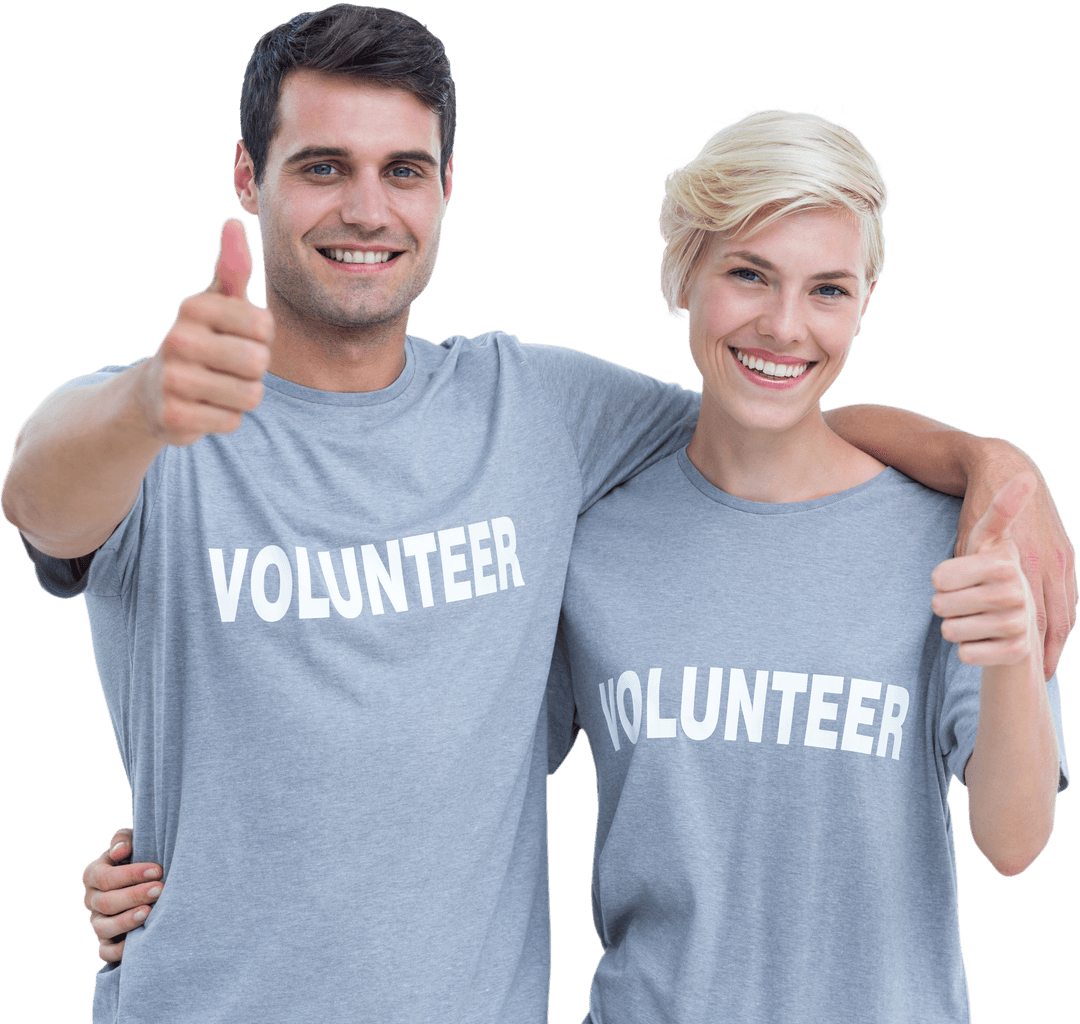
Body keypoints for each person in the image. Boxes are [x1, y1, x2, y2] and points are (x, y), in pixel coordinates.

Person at [2, 6, 1070, 1021]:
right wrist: (145, 399)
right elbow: (36, 493)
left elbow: (770, 419)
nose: (367, 208)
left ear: (446, 189)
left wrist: (998, 468)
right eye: (323, 166)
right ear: (249, 176)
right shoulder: (162, 426)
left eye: (403, 170)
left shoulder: (539, 411)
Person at [542, 108, 1068, 1022]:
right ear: (684, 276)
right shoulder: (592, 543)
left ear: (864, 302)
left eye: (828, 290)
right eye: (749, 274)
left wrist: (1015, 652)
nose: (785, 327)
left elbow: (1016, 842)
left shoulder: (955, 535)